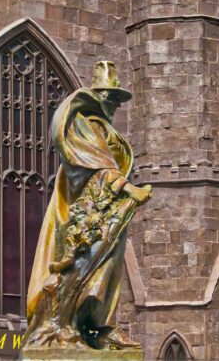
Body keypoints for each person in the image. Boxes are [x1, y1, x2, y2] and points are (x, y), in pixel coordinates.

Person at [24, 61, 152, 351]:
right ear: (97, 96)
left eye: (118, 100)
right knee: (81, 266)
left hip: (112, 211)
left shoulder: (105, 127)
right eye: (111, 98)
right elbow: (97, 164)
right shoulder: (85, 124)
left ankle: (101, 326)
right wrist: (131, 189)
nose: (115, 105)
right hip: (89, 212)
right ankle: (65, 325)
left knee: (108, 269)